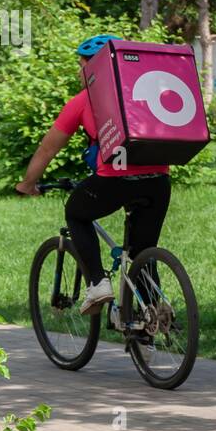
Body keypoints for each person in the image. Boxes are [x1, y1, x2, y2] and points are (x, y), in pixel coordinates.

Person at [16, 34, 172, 315]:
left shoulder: (83, 100)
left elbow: (46, 150)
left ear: (93, 67)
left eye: (82, 64)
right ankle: (152, 315)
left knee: (76, 212)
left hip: (115, 178)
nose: (79, 70)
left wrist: (28, 184)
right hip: (159, 180)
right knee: (142, 251)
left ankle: (98, 284)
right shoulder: (145, 92)